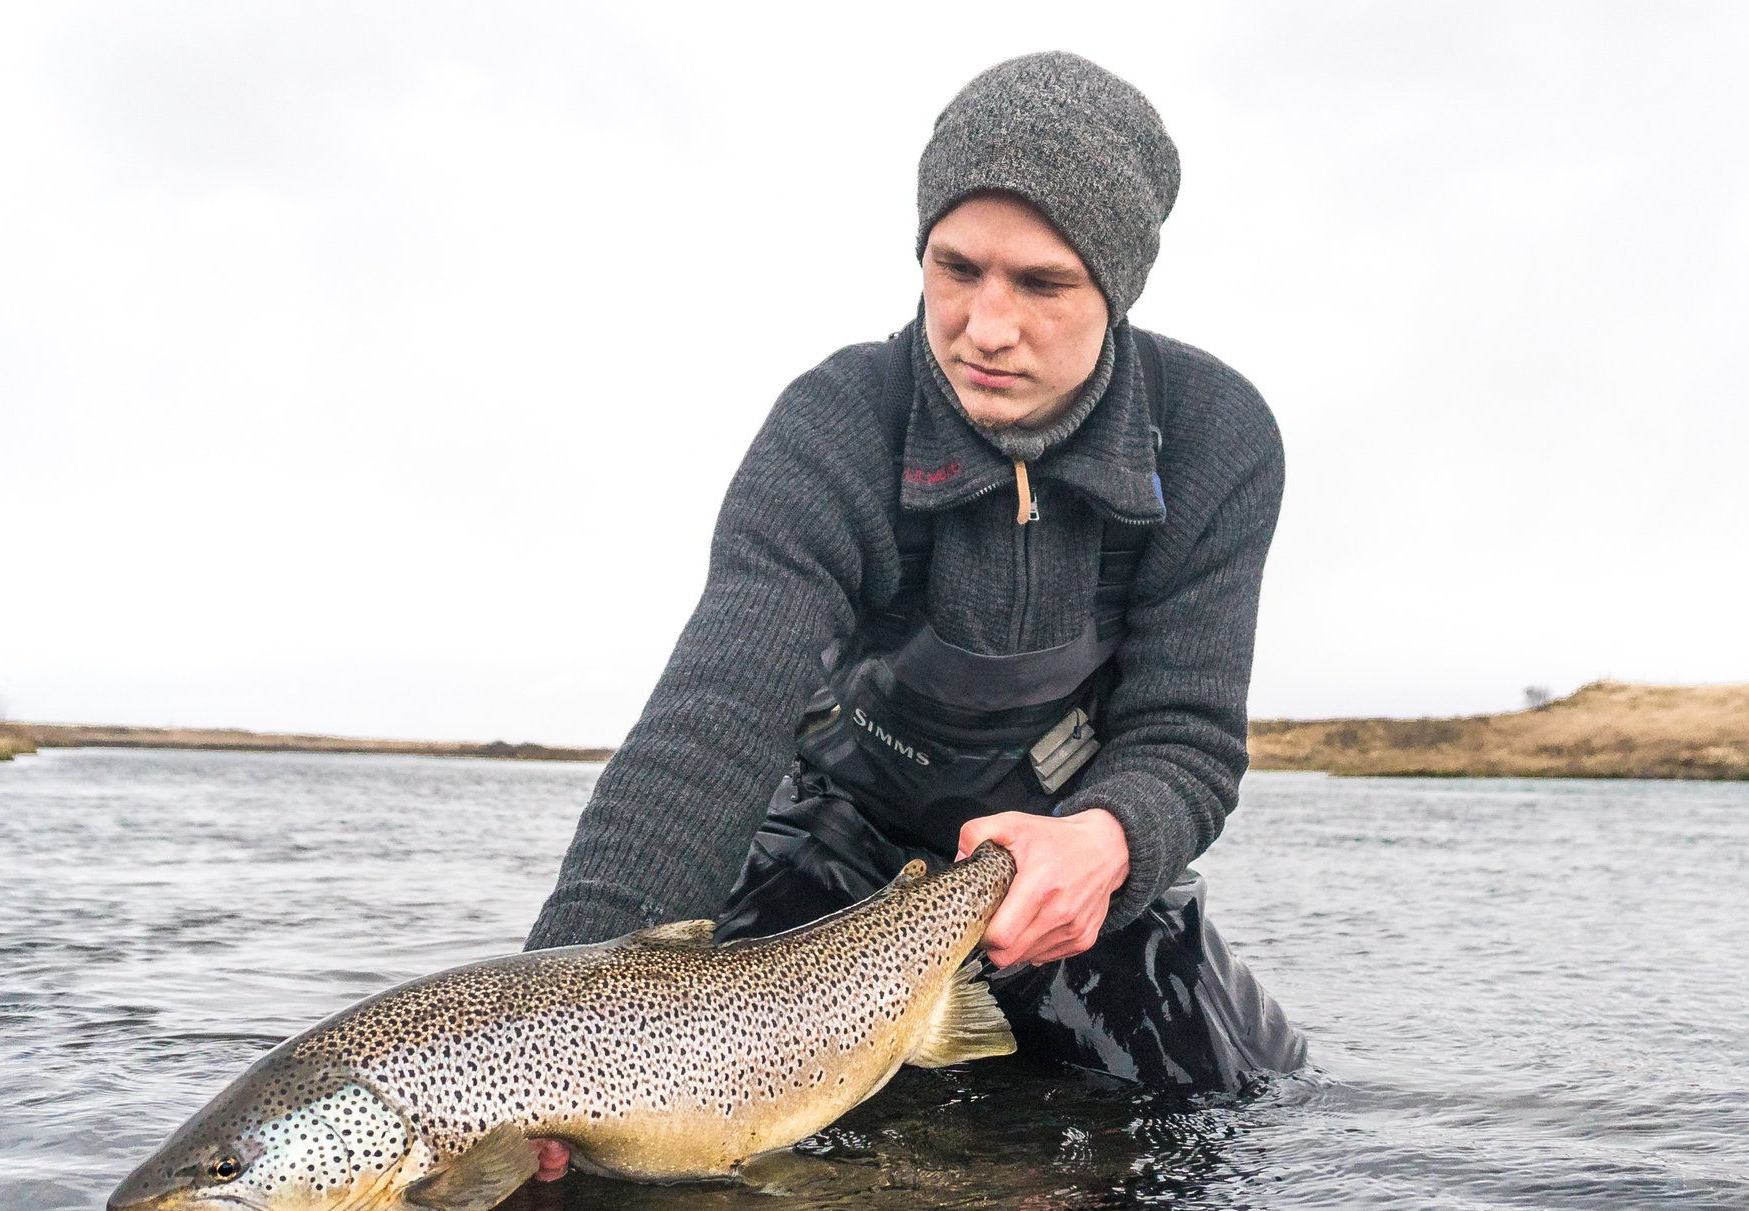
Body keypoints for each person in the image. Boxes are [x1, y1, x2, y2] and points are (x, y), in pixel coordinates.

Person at [526, 51, 1306, 1104]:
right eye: (955, 268)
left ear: (1117, 288)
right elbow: (710, 729)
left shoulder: (1217, 437)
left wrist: (1114, 837)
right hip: (836, 856)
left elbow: (1187, 736)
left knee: (1245, 1103)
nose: (985, 328)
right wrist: (546, 1036)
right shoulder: (837, 421)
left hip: (1072, 867)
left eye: (1042, 283)